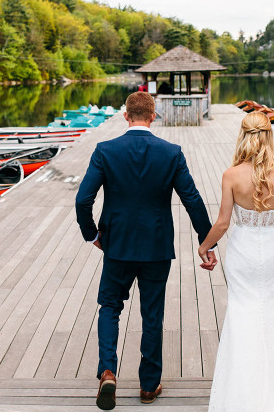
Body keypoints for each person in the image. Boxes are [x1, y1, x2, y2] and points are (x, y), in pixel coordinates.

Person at [75, 91, 214, 411]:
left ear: (126, 115)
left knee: (109, 306)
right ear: (154, 116)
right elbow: (192, 199)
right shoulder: (171, 153)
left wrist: (91, 234)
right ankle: (149, 386)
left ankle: (108, 371)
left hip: (117, 245)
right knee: (152, 314)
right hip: (156, 246)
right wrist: (206, 242)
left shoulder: (106, 150)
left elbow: (83, 199)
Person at [197, 111, 274, 412]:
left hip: (241, 253)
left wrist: (204, 245)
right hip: (272, 251)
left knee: (242, 312)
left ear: (243, 136)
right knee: (272, 309)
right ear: (269, 136)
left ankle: (242, 394)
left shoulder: (231, 175)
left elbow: (223, 223)